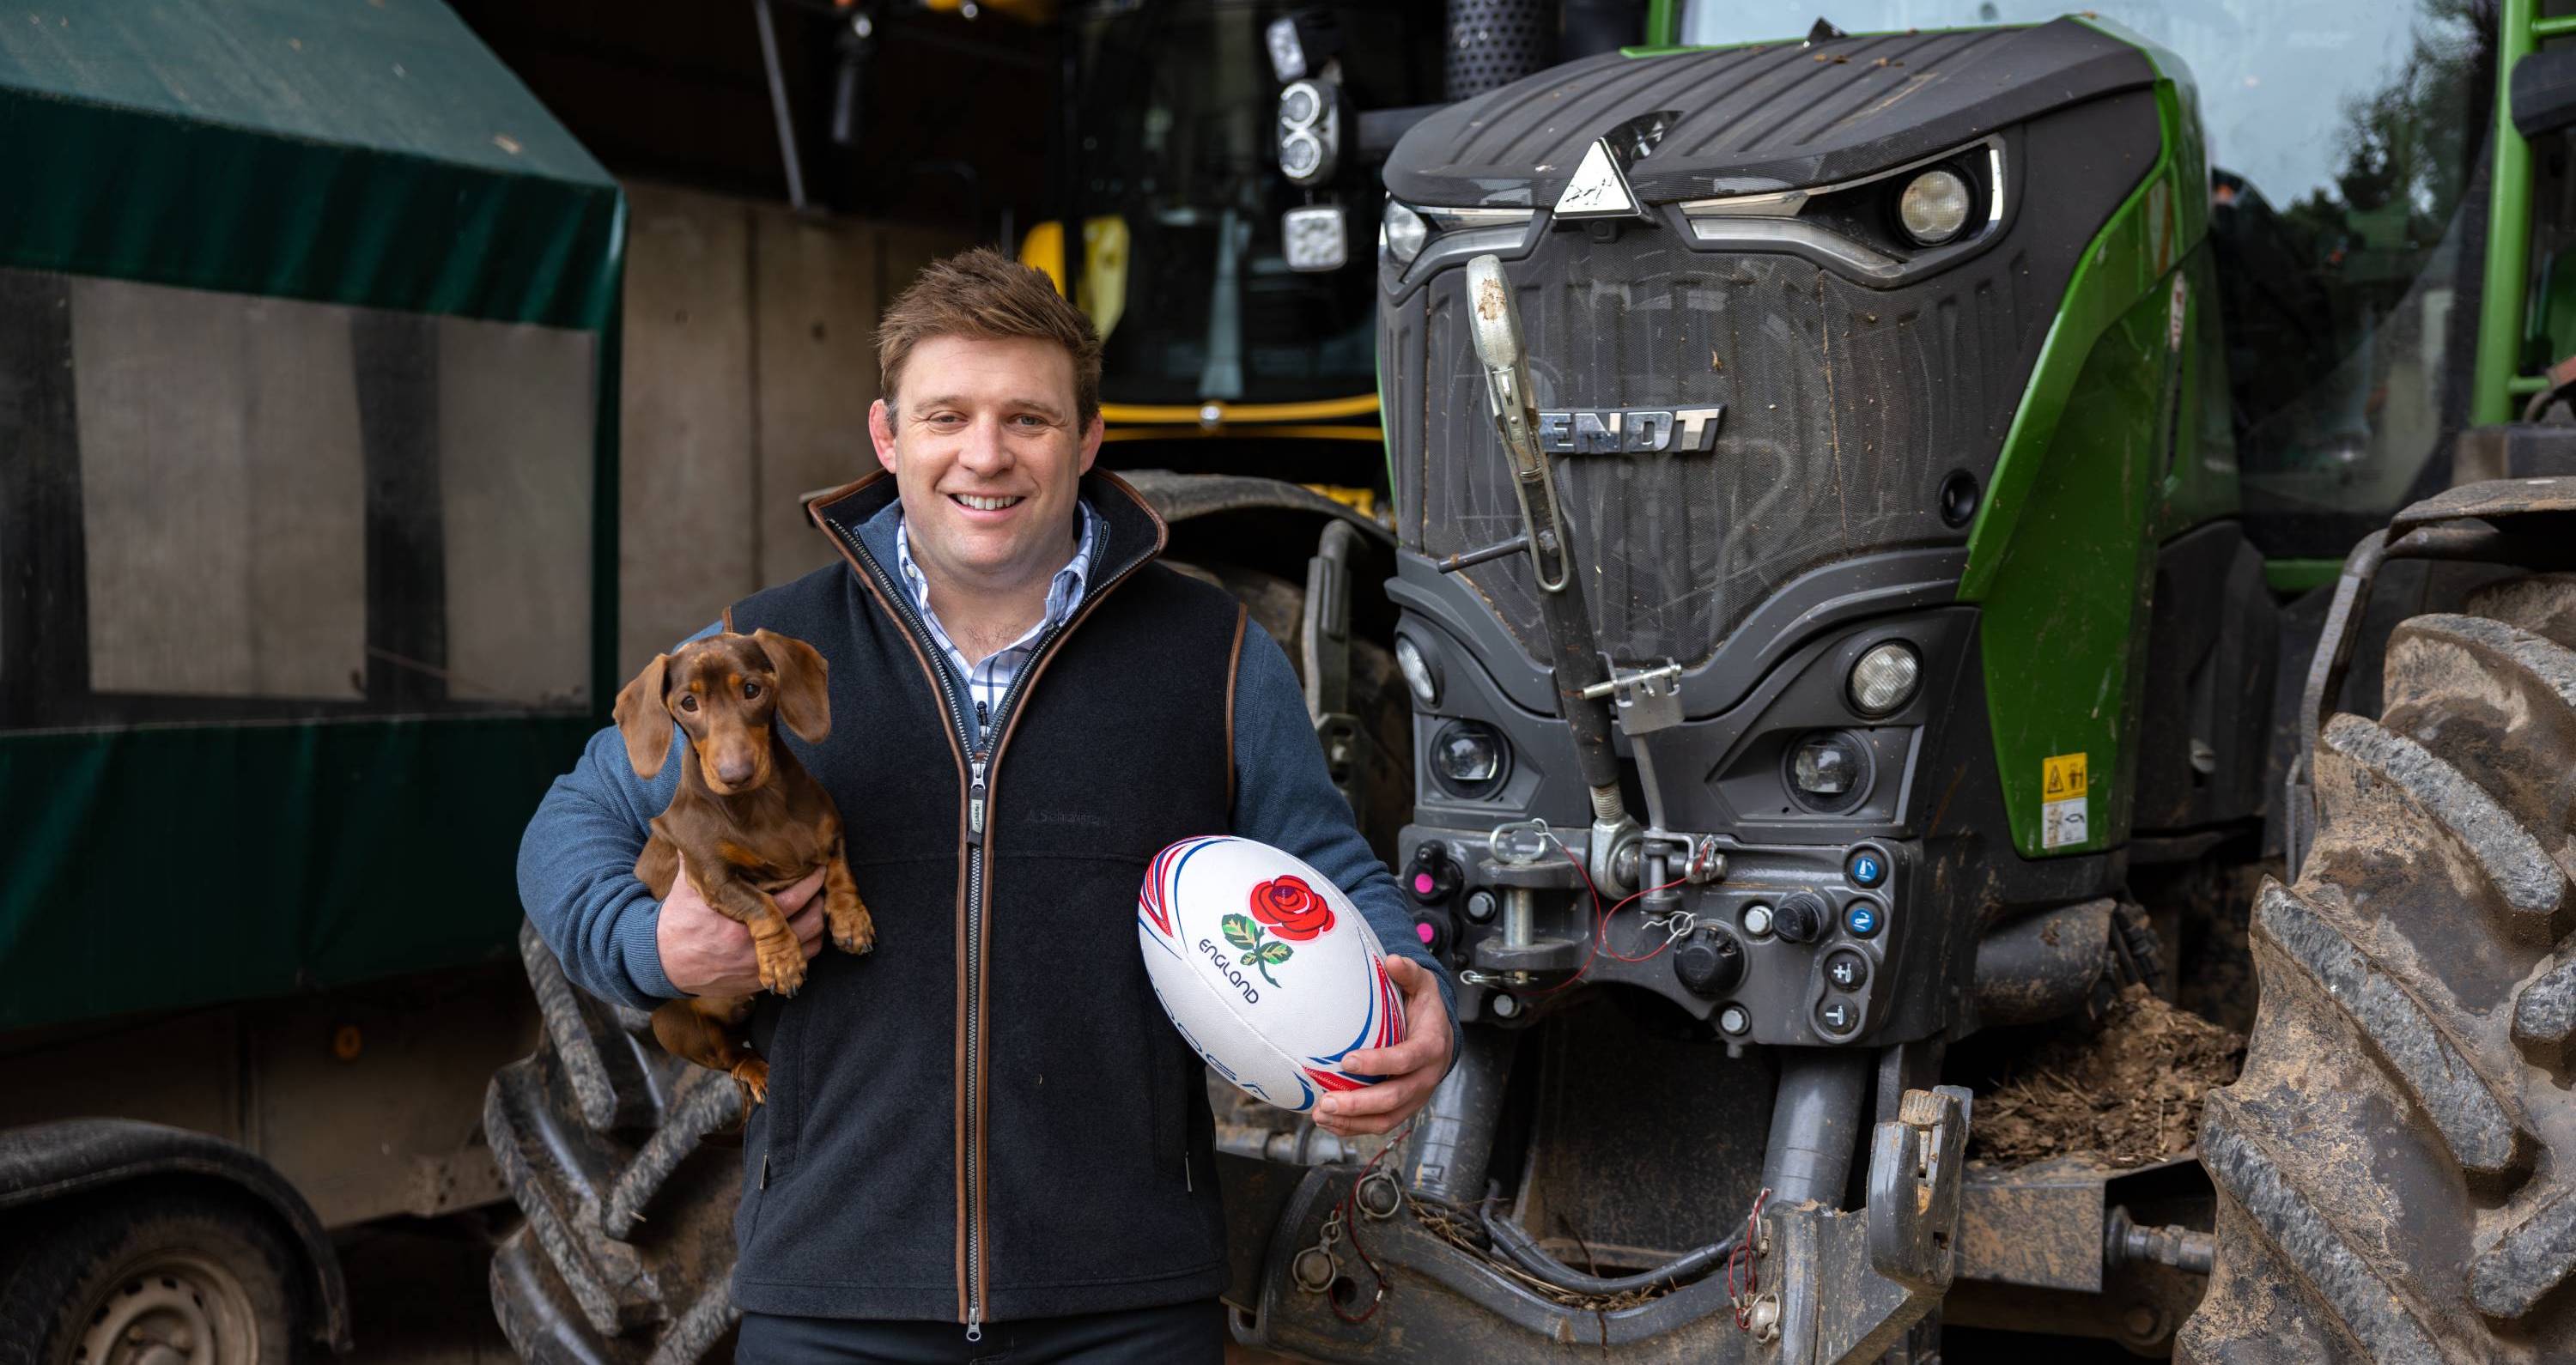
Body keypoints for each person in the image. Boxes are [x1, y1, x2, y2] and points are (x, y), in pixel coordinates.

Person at [519, 247, 1455, 1362]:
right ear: (887, 435)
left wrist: (1416, 988)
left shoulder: (1212, 656)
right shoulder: (765, 649)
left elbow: (1330, 867)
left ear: (1089, 439)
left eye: (1028, 418)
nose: (984, 453)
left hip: (1124, 1302)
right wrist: (656, 947)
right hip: (834, 1296)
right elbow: (564, 832)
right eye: (946, 414)